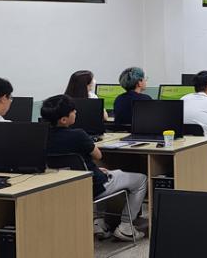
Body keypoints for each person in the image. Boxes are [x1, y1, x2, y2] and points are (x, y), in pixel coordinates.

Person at [41, 94, 147, 241]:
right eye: (72, 111)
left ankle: (99, 223)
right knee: (141, 179)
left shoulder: (41, 136)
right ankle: (126, 226)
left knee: (103, 173)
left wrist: (92, 170)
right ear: (64, 119)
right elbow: (98, 155)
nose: (76, 112)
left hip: (67, 186)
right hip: (93, 186)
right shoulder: (78, 135)